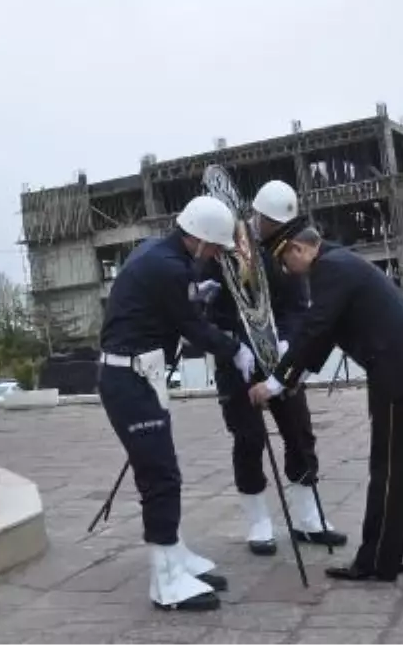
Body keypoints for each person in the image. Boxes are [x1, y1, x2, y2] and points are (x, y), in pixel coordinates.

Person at [256, 225, 403, 582]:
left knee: (390, 470)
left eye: (285, 259)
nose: (286, 269)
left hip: (401, 376)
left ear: (300, 249)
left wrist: (275, 382)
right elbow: (328, 332)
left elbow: (316, 327)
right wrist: (294, 376)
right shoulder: (341, 262)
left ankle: (376, 561)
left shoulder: (330, 269)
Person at [98, 195, 257, 612]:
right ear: (202, 241)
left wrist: (191, 296)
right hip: (129, 378)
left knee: (163, 469)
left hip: (139, 375)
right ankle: (165, 581)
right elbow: (193, 329)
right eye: (216, 250)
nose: (217, 257)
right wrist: (235, 349)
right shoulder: (168, 268)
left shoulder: (156, 250)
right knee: (161, 477)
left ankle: (176, 554)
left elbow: (170, 309)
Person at [207, 180, 346, 556]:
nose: (274, 229)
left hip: (279, 359)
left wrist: (286, 342)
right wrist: (234, 345)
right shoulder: (223, 249)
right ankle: (258, 521)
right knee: (249, 438)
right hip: (236, 360)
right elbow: (210, 313)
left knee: (299, 432)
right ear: (256, 215)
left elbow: (298, 306)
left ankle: (308, 517)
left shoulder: (286, 251)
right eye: (268, 221)